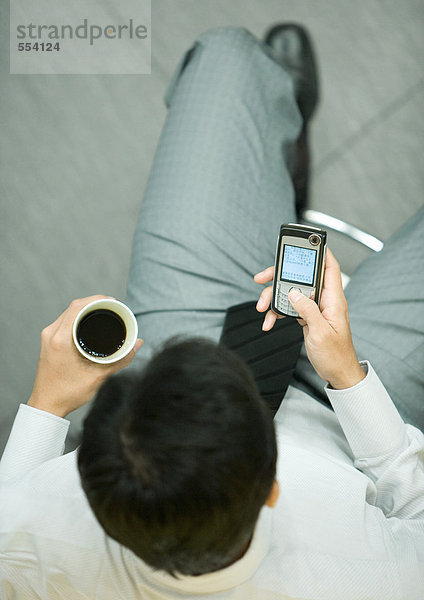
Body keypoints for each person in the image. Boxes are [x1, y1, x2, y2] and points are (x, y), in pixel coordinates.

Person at [1, 25, 423, 600]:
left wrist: (48, 400)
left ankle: (269, 170)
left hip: (189, 337)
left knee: (226, 56)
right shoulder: (373, 580)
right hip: (343, 417)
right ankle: (276, 180)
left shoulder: (29, 537)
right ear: (271, 491)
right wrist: (347, 376)